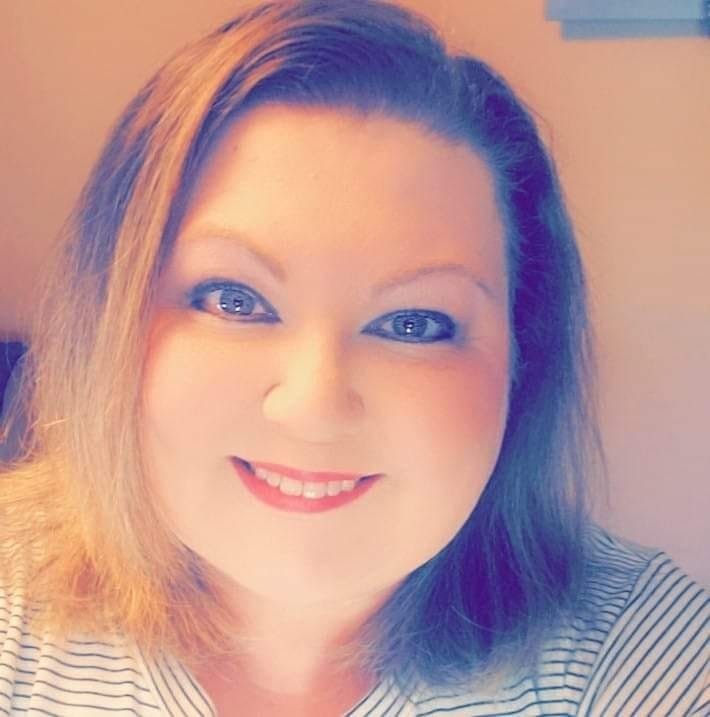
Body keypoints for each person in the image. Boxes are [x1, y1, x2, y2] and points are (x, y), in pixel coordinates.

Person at [0, 1, 707, 714]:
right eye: (235, 300)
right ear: (112, 319)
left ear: (522, 356)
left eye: (413, 323)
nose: (315, 406)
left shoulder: (641, 653)